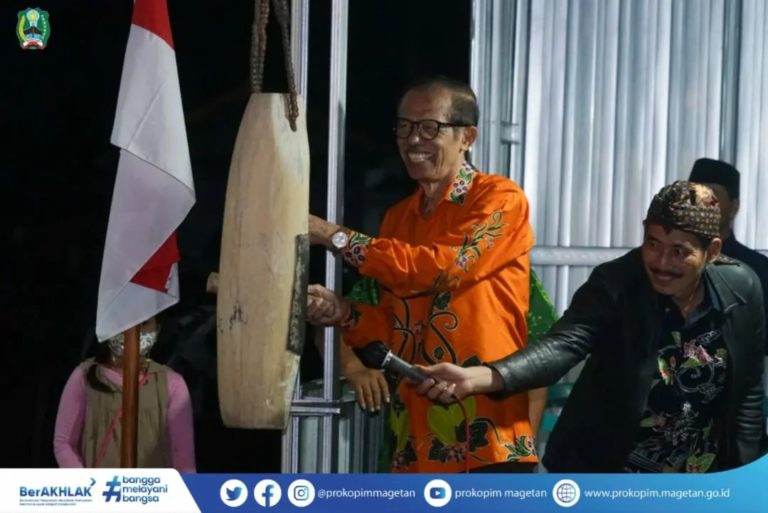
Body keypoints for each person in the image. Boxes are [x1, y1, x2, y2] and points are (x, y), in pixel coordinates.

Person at [417, 181, 765, 473]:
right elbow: (563, 344)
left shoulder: (742, 289)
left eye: (679, 251)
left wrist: (746, 482)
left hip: (700, 479)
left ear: (712, 251)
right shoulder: (615, 283)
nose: (661, 262)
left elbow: (747, 395)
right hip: (609, 473)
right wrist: (483, 376)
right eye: (653, 243)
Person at [306, 76, 540, 473]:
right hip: (415, 445)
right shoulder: (399, 218)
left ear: (467, 137)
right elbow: (397, 330)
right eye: (405, 126)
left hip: (487, 443)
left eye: (430, 127)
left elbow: (438, 269)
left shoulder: (499, 199)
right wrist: (343, 312)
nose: (413, 139)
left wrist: (335, 237)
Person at [53, 317, 196, 471]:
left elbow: (184, 459)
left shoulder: (172, 383)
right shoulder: (84, 376)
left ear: (157, 328)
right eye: (124, 320)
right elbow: (64, 443)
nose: (134, 330)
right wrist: (87, 483)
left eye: (144, 323)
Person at [689, 157, 768, 354]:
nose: (702, 202)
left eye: (712, 194)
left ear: (734, 206)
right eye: (694, 193)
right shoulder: (661, 262)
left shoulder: (758, 271)